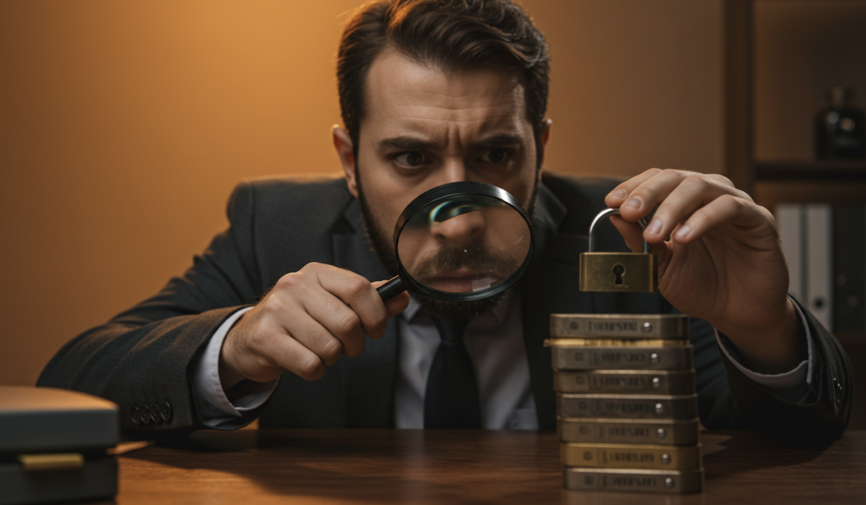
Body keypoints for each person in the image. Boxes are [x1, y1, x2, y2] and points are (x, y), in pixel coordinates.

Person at [38, 0, 850, 445]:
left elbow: (796, 433)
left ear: (541, 149)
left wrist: (762, 328)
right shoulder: (273, 227)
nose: (458, 220)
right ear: (349, 160)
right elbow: (73, 382)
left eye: (496, 154)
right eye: (411, 158)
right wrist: (236, 346)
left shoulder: (637, 239)